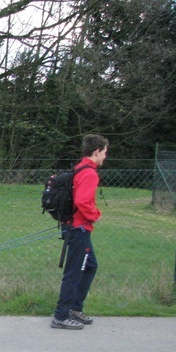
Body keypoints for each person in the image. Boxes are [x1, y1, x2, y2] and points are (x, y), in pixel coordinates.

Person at [51, 134, 109, 330]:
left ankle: (75, 308)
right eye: (104, 153)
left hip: (76, 227)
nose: (105, 157)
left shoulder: (80, 167)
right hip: (79, 229)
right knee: (74, 272)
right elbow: (82, 202)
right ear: (96, 152)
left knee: (90, 266)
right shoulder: (89, 173)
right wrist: (95, 215)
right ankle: (61, 315)